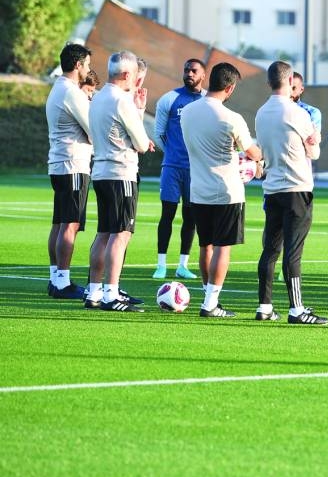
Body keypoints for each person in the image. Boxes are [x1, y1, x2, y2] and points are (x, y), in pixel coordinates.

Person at [181, 62, 262, 318]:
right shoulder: (231, 118)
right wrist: (257, 161)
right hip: (227, 191)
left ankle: (208, 296)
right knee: (222, 247)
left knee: (206, 246)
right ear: (230, 87)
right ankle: (210, 304)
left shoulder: (188, 112)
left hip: (198, 190)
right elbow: (252, 151)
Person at [254, 61, 328, 325]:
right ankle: (297, 309)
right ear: (289, 81)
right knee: (293, 252)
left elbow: (260, 150)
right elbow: (314, 152)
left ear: (270, 82)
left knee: (270, 250)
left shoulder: (261, 113)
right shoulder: (298, 114)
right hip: (297, 188)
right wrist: (314, 142)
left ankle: (264, 305)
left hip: (272, 188)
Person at [83, 50, 155, 312]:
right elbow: (139, 141)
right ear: (126, 74)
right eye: (134, 74)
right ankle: (111, 294)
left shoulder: (98, 98)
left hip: (100, 171)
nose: (136, 79)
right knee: (120, 234)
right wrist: (139, 115)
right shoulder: (121, 101)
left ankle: (93, 291)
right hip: (121, 173)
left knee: (103, 232)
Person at [46, 43, 94, 299]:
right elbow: (92, 128)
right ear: (78, 65)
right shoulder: (72, 93)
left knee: (59, 222)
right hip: (73, 163)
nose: (88, 69)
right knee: (70, 223)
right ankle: (62, 282)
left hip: (59, 163)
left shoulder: (58, 88)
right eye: (86, 64)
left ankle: (55, 278)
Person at [152, 58, 205, 281]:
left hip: (196, 171)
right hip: (172, 167)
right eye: (186, 70)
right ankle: (161, 264)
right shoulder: (170, 98)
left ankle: (183, 264)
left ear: (203, 74)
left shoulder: (208, 101)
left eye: (194, 70)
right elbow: (159, 133)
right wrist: (173, 152)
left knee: (190, 217)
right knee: (167, 214)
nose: (189, 73)